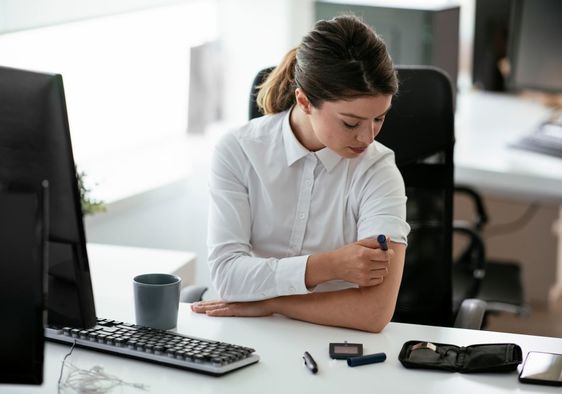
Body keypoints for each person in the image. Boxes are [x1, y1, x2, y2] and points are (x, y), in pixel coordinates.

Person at [191, 15, 410, 333]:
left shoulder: (378, 172)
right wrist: (330, 265)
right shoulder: (239, 151)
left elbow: (374, 312)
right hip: (241, 331)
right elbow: (226, 276)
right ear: (305, 101)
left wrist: (270, 303)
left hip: (330, 339)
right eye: (351, 123)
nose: (367, 137)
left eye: (379, 119)